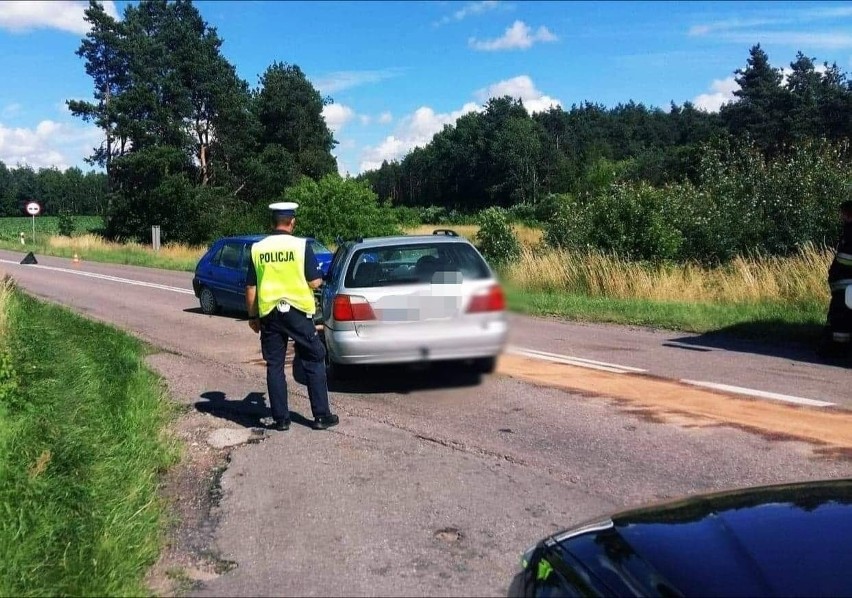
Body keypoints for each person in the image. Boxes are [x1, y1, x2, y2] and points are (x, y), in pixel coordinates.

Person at [245, 201, 339, 431]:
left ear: (272, 222)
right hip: (297, 312)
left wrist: (253, 316)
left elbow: (250, 288)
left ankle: (281, 419)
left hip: (270, 314)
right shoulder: (300, 246)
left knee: (274, 365)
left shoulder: (258, 249)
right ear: (292, 221)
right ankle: (320, 415)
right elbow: (314, 281)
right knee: (314, 357)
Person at [821, 199, 852, 356]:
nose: (841, 217)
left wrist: (837, 266)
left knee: (840, 316)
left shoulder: (850, 232)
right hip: (843, 283)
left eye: (843, 214)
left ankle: (836, 348)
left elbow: (846, 258)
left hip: (846, 283)